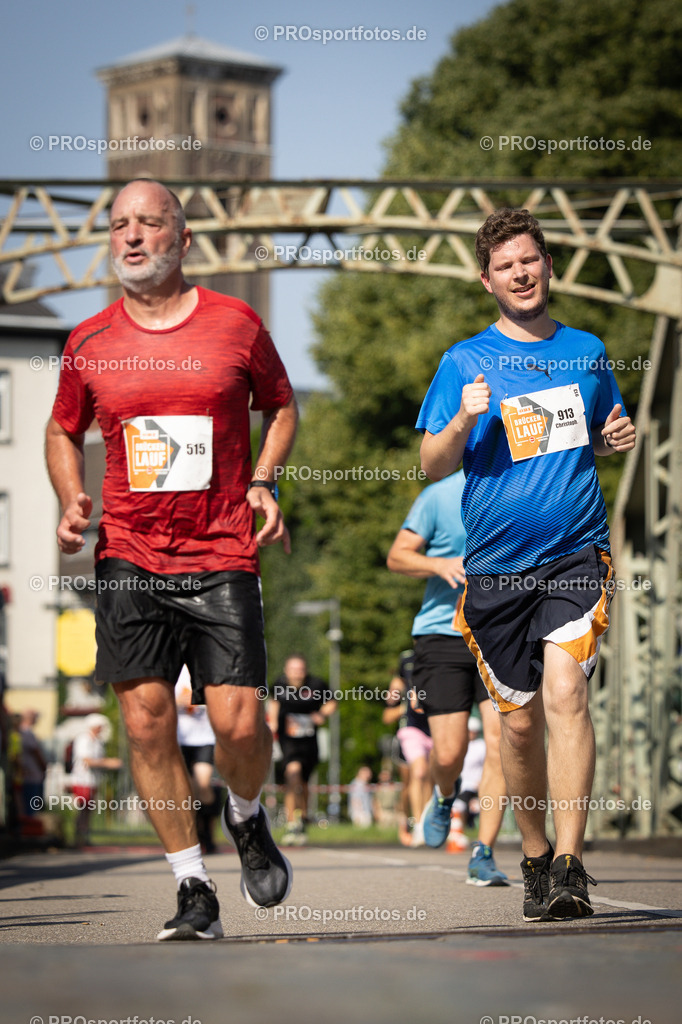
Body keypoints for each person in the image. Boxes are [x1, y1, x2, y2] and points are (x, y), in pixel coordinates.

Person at [45, 179, 299, 940]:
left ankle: (245, 813)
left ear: (183, 240)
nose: (131, 236)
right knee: (146, 722)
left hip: (222, 550)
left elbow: (281, 405)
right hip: (129, 552)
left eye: (149, 223)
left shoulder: (236, 323)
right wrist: (69, 496)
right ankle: (193, 886)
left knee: (239, 723)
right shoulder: (89, 341)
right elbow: (62, 430)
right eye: (119, 224)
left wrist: (263, 480)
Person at [418, 207, 636, 921]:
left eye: (529, 260)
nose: (520, 273)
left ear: (548, 265)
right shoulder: (464, 361)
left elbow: (593, 434)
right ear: (487, 281)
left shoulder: (587, 351)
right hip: (496, 569)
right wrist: (462, 419)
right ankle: (536, 854)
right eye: (505, 266)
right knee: (516, 726)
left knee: (566, 691)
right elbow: (432, 463)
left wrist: (611, 438)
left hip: (575, 552)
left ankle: (571, 863)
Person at [387, 472, 508, 885]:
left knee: (502, 743)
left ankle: (484, 851)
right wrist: (438, 564)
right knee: (449, 753)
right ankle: (443, 796)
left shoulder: (521, 484)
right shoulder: (438, 495)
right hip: (443, 634)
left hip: (501, 633)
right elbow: (397, 556)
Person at [268, 654, 337, 846]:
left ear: (305, 670)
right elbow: (273, 702)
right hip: (288, 741)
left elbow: (332, 702)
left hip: (309, 742)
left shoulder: (316, 685)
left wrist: (321, 714)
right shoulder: (279, 684)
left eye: (300, 670)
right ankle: (292, 823)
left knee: (304, 782)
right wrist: (272, 723)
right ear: (286, 670)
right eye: (293, 669)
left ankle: (303, 817)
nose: (297, 673)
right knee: (292, 773)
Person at [175, 666, 220, 854]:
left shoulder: (209, 667)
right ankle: (194, 834)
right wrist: (179, 702)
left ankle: (208, 832)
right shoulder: (175, 672)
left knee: (203, 783)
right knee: (188, 790)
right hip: (181, 739)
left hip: (205, 738)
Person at [69, 713, 122, 846]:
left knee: (88, 810)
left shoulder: (97, 742)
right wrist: (108, 763)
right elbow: (87, 760)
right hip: (82, 780)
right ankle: (78, 836)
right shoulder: (84, 739)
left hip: (92, 781)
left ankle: (84, 836)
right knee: (82, 808)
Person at [18, 709, 48, 816]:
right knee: (30, 808)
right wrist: (44, 766)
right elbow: (36, 752)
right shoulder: (27, 733)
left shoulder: (22, 731)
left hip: (27, 774)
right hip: (31, 775)